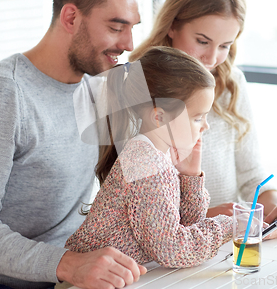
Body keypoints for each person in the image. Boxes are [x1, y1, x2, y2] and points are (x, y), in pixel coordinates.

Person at [0, 0, 146, 288]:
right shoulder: (3, 92)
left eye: (132, 28)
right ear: (70, 17)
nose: (128, 45)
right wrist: (69, 265)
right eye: (115, 27)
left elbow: (143, 177)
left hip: (61, 278)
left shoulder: (98, 84)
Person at [129, 0, 277, 238]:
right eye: (202, 41)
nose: (212, 58)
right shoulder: (134, 84)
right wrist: (208, 217)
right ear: (172, 25)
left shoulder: (231, 81)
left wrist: (275, 203)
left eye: (225, 45)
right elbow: (131, 206)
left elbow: (252, 175)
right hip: (160, 254)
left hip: (221, 244)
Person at [64, 46, 232, 273]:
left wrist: (190, 177)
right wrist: (228, 227)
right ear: (159, 117)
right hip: (84, 281)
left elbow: (183, 227)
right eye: (197, 117)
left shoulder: (156, 155)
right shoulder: (146, 163)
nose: (206, 125)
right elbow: (172, 249)